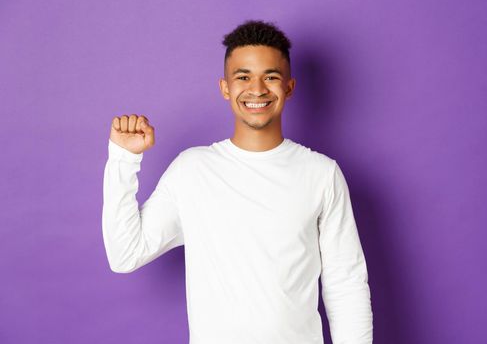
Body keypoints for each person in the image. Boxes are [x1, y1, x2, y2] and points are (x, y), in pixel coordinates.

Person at [102, 19, 373, 344]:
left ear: (289, 87)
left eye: (270, 77)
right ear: (225, 87)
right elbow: (125, 254)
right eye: (243, 76)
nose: (257, 89)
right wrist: (123, 159)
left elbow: (346, 284)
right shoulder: (193, 170)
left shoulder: (321, 173)